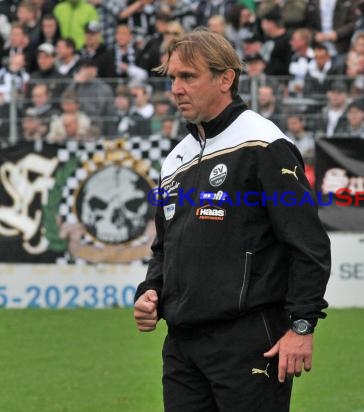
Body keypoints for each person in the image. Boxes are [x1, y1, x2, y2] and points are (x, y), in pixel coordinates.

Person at [133, 29, 331, 412]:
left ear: (226, 78)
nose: (176, 88)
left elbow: (309, 245)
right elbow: (164, 246)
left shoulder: (263, 144)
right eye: (172, 77)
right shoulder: (175, 159)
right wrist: (150, 290)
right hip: (181, 346)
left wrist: (303, 325)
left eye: (188, 76)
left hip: (248, 340)